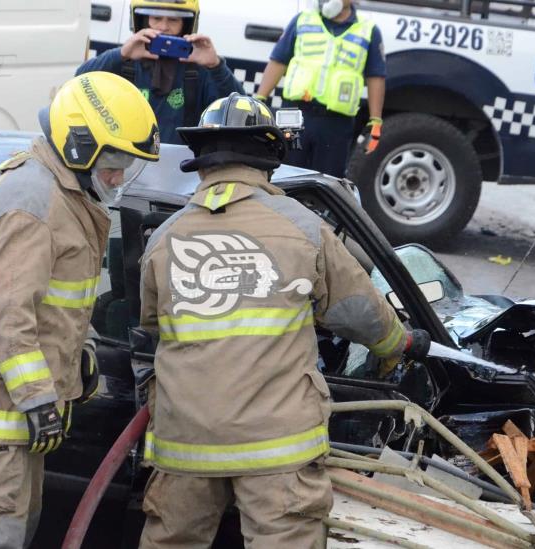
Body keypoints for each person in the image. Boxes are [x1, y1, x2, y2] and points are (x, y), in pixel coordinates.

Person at [137, 92, 430, 548]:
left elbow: (152, 330)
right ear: (271, 153)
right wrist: (400, 345)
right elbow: (360, 314)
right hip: (276, 447)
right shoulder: (304, 227)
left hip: (185, 443)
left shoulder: (164, 239)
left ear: (202, 158)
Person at [0, 71, 159, 548]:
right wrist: (37, 397)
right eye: (114, 162)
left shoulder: (62, 197)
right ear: (78, 145)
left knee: (12, 534)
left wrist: (85, 357)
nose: (118, 177)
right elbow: (8, 313)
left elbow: (62, 305)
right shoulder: (32, 203)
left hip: (9, 419)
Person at [76, 0, 245, 145]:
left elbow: (240, 110)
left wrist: (216, 66)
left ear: (186, 24)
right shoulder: (126, 61)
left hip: (177, 169)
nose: (164, 27)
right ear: (142, 20)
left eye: (173, 20)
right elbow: (79, 83)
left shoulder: (196, 68)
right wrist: (120, 54)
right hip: (126, 164)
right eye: (156, 18)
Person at [255, 0, 387, 178]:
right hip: (295, 114)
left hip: (336, 121)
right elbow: (279, 61)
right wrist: (260, 99)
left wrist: (376, 120)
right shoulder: (303, 20)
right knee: (284, 175)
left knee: (327, 181)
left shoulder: (368, 30)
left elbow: (376, 76)